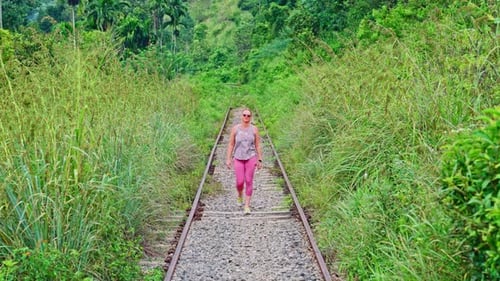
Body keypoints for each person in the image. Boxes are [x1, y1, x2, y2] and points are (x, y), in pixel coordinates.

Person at [226, 108, 263, 215]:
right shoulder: (235, 129)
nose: (246, 117)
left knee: (249, 180)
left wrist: (259, 159)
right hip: (238, 157)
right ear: (241, 116)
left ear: (251, 117)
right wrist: (228, 158)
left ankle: (247, 206)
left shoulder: (254, 129)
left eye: (248, 115)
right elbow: (231, 144)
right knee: (240, 182)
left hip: (251, 157)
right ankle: (239, 195)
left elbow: (258, 145)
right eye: (244, 115)